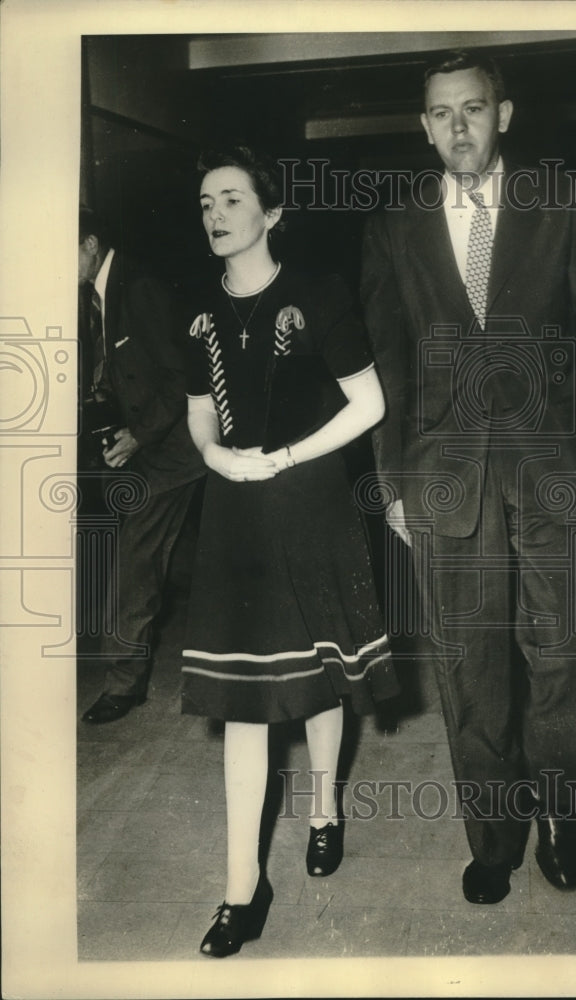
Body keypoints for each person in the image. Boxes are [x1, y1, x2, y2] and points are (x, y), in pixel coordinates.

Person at [361, 50, 576, 906]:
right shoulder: (392, 224)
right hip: (444, 478)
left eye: (474, 108)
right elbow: (388, 363)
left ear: (504, 115)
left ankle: (559, 812)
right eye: (441, 113)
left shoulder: (563, 204)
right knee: (468, 666)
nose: (458, 126)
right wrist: (389, 483)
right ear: (423, 127)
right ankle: (492, 836)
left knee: (562, 655)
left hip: (554, 472)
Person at [182, 146, 399, 957]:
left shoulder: (317, 296)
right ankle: (242, 888)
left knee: (315, 680)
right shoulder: (197, 306)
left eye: (232, 198)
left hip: (307, 504)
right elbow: (199, 410)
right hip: (233, 515)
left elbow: (368, 403)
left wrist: (285, 458)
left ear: (271, 214)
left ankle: (323, 810)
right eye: (206, 202)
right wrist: (215, 457)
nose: (215, 213)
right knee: (245, 697)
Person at [78, 208, 206, 724]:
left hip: (175, 449)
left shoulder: (141, 286)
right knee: (161, 556)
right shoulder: (101, 291)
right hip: (152, 445)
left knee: (136, 560)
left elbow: (181, 375)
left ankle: (123, 684)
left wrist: (138, 434)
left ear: (90, 243)